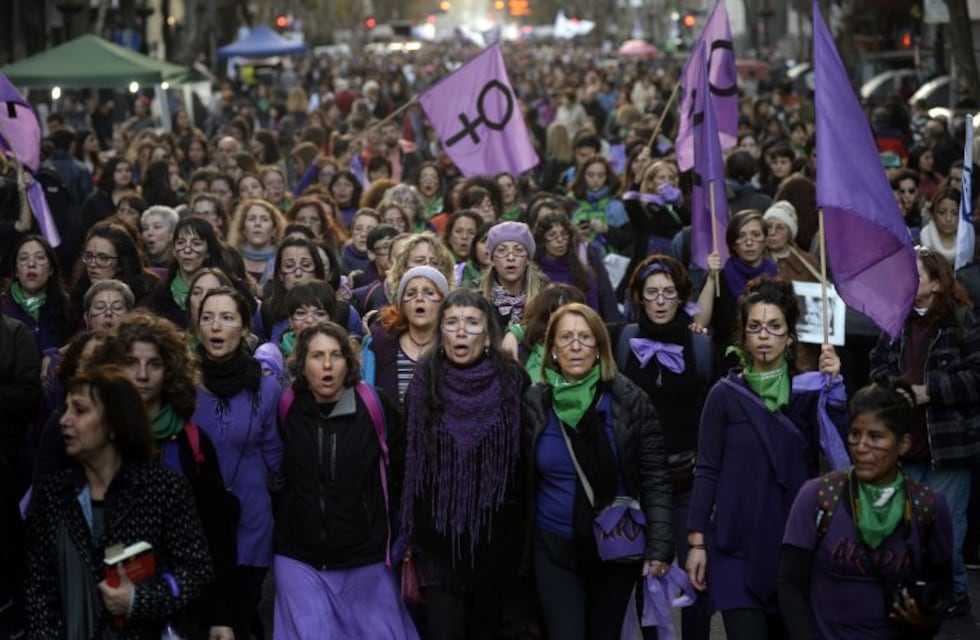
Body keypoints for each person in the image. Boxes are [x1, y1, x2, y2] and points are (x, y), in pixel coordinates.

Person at [685, 277, 847, 639]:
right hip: (733, 546)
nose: (764, 335)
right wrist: (696, 543)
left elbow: (840, 454)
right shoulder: (724, 395)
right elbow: (707, 469)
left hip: (793, 545)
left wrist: (834, 388)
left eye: (775, 327)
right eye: (755, 327)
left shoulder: (808, 392)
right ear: (743, 335)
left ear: (789, 337)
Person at [24, 366, 213, 639]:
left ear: (114, 424)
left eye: (79, 410)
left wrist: (140, 599)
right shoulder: (54, 494)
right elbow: (37, 588)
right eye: (65, 409)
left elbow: (195, 571)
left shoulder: (163, 489)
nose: (64, 420)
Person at [524, 303, 673, 640]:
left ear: (600, 348)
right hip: (553, 546)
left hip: (615, 548)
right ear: (552, 350)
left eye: (584, 337)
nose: (575, 346)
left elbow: (654, 477)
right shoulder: (535, 402)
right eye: (565, 338)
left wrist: (660, 546)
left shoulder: (630, 401)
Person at [400, 290, 532, 639]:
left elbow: (526, 463)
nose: (461, 332)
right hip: (438, 540)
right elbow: (409, 462)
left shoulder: (514, 382)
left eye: (472, 323)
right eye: (452, 323)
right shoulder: (423, 381)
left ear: (488, 334)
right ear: (440, 332)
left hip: (497, 538)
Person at [778, 376, 953, 639]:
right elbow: (789, 584)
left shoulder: (927, 506)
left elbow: (942, 588)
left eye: (876, 436)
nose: (861, 447)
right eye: (855, 434)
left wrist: (926, 621)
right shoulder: (818, 496)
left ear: (903, 444)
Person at [273, 322, 417, 639]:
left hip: (364, 557)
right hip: (300, 557)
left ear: (348, 362)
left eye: (335, 355)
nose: (327, 365)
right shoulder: (287, 408)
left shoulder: (374, 407)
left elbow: (405, 471)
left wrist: (401, 536)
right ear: (301, 364)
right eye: (317, 356)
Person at [869, 246, 980, 617]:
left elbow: (976, 378)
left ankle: (954, 594)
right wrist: (894, 388)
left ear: (935, 283)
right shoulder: (894, 319)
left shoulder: (961, 320)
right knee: (903, 525)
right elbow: (877, 364)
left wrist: (929, 391)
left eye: (915, 272)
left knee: (945, 526)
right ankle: (912, 593)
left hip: (947, 445)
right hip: (904, 443)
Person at [616, 254, 713, 640]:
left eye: (668, 293)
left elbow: (710, 411)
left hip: (686, 474)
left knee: (697, 570)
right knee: (648, 573)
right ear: (639, 296)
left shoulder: (699, 345)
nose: (660, 300)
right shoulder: (623, 340)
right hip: (641, 481)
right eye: (652, 292)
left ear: (680, 297)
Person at [193, 288, 284, 638]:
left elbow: (274, 452)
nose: (216, 326)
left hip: (250, 520)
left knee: (240, 618)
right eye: (208, 317)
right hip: (196, 522)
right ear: (197, 327)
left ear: (245, 328)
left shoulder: (267, 388)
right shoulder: (181, 384)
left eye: (227, 317)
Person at [695, 209, 779, 378]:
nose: (749, 242)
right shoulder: (720, 275)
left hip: (769, 364)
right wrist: (712, 278)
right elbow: (699, 323)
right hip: (727, 365)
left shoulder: (776, 276)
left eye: (756, 235)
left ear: (765, 240)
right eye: (741, 236)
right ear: (733, 243)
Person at [365, 266, 449, 405]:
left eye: (429, 293)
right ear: (401, 305)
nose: (419, 299)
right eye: (411, 294)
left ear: (443, 303)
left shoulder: (453, 347)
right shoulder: (378, 345)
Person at [142, 217, 226, 328]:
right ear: (173, 251)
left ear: (208, 252)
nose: (187, 250)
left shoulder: (227, 288)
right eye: (181, 243)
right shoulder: (159, 294)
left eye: (196, 243)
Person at [2, 234, 71, 353]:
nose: (31, 264)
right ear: (16, 271)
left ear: (51, 270)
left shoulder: (67, 307)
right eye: (24, 258)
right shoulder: (3, 306)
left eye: (39, 258)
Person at [480, 221, 547, 329]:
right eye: (502, 250)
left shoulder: (544, 297)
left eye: (518, 250)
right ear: (492, 260)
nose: (511, 258)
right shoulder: (477, 297)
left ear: (528, 260)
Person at [918, 188, 962, 266]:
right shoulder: (918, 244)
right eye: (942, 212)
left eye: (955, 213)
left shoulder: (970, 245)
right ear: (932, 214)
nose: (948, 219)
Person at [140, 205, 180, 271]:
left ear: (172, 233)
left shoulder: (181, 265)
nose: (149, 233)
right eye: (145, 228)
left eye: (157, 227)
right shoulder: (138, 263)